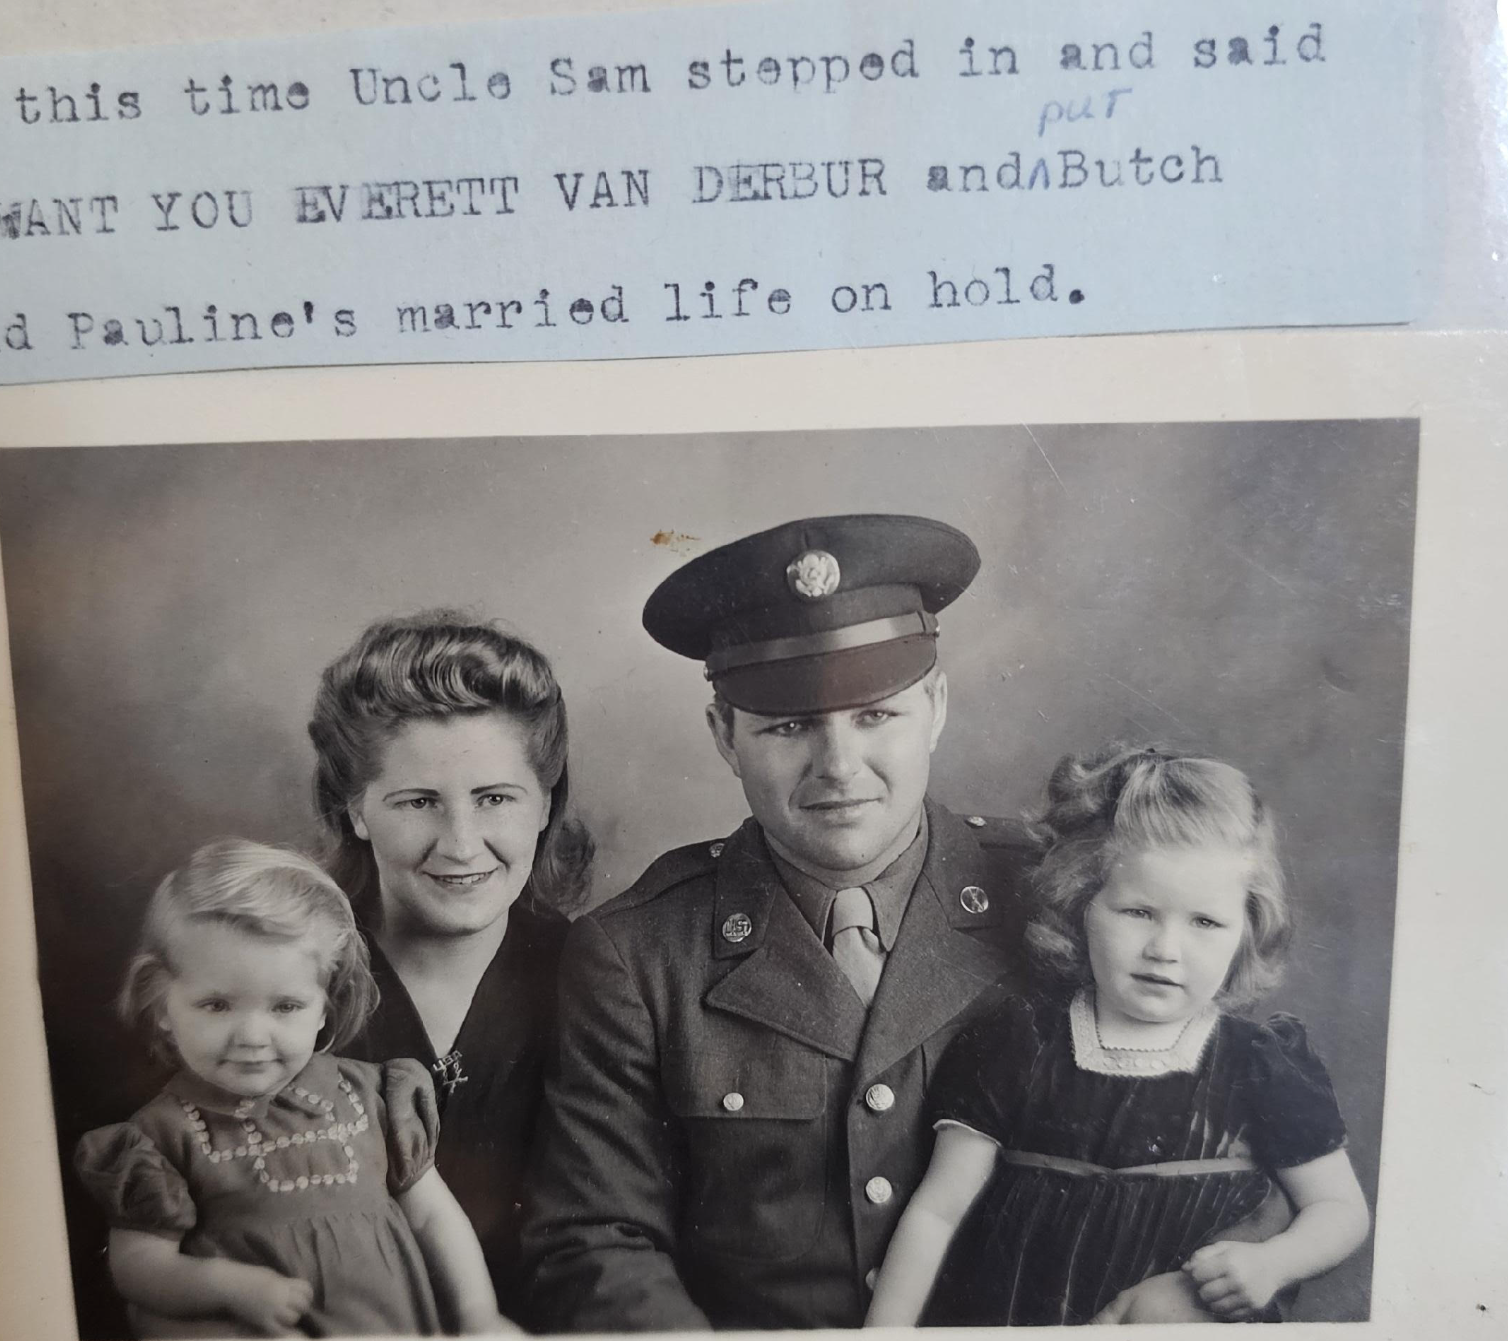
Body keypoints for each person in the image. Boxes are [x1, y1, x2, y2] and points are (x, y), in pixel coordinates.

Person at [523, 514, 1042, 1330]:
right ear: (725, 735)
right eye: (790, 726)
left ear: (936, 706)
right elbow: (596, 1240)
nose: (838, 767)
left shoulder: (1054, 898)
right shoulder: (638, 954)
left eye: (876, 715)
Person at [865, 744, 1371, 1327]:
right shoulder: (1019, 1043)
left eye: (1205, 922)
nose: (1166, 950)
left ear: (1246, 930)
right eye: (1138, 912)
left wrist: (1272, 1264)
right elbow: (939, 1211)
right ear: (1081, 903)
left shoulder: (1258, 1064)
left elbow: (1339, 1209)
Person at [74, 839, 506, 1337]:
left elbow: (433, 1218)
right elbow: (138, 1268)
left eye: (285, 1007)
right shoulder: (160, 1137)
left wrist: (480, 1316)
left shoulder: (373, 1096)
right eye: (216, 1005)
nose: (253, 1037)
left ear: (325, 1004)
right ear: (161, 1002)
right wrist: (228, 1286)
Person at [308, 614, 593, 1327]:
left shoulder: (601, 976)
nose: (462, 844)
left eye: (495, 798)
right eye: (418, 801)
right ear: (357, 810)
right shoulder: (292, 984)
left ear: (545, 806)